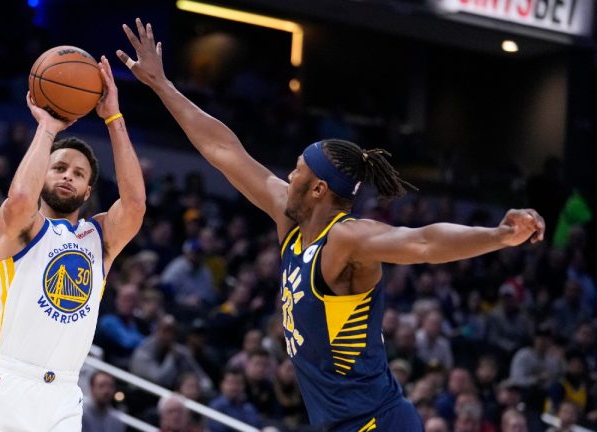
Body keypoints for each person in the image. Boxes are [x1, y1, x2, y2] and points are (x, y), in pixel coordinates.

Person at [118, 18, 546, 432]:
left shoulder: (345, 238)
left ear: (319, 189)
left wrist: (500, 235)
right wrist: (162, 85)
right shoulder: (291, 221)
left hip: (378, 423)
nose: (289, 175)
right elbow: (224, 150)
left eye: (298, 170)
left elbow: (423, 243)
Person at [0, 54, 145, 432]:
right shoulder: (24, 228)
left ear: (88, 191)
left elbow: (136, 205)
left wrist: (113, 117)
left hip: (63, 393)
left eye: (78, 173)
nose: (67, 176)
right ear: (42, 173)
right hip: (7, 382)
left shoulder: (99, 238)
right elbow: (20, 198)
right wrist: (46, 128)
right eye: (58, 168)